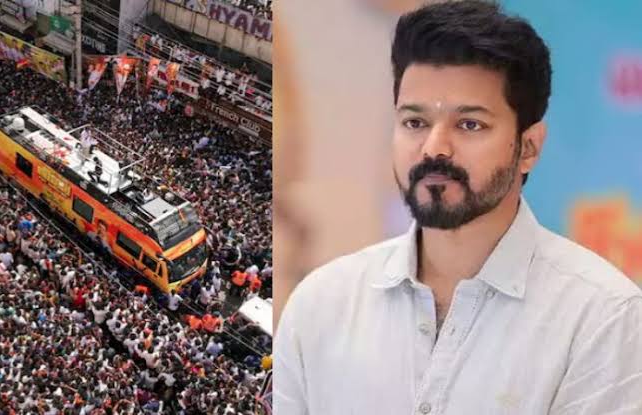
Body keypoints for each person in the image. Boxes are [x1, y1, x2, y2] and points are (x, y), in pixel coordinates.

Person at [273, 2, 642, 415]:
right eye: (415, 122)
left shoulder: (603, 321)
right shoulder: (321, 304)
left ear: (529, 147)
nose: (434, 148)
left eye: (469, 124)